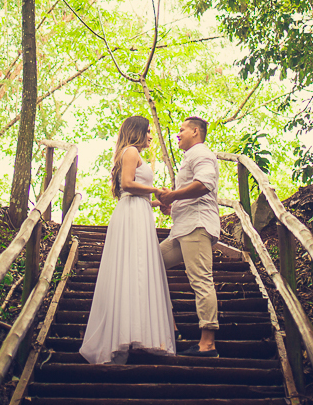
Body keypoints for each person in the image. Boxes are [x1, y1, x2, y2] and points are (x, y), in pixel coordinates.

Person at [79, 115, 177, 364]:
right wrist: (156, 189)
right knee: (134, 268)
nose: (151, 137)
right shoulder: (131, 151)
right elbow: (127, 183)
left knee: (138, 270)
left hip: (139, 211)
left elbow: (133, 190)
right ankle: (127, 334)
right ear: (138, 132)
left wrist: (155, 201)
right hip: (132, 215)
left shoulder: (131, 152)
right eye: (148, 132)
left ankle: (137, 332)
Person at [157, 116, 219, 357]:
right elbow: (189, 194)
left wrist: (173, 196)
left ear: (196, 131)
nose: (178, 134)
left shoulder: (201, 153)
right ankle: (169, 327)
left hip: (196, 227)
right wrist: (171, 204)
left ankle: (207, 343)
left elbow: (204, 185)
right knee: (151, 264)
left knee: (201, 280)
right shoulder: (190, 157)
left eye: (182, 130)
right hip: (182, 228)